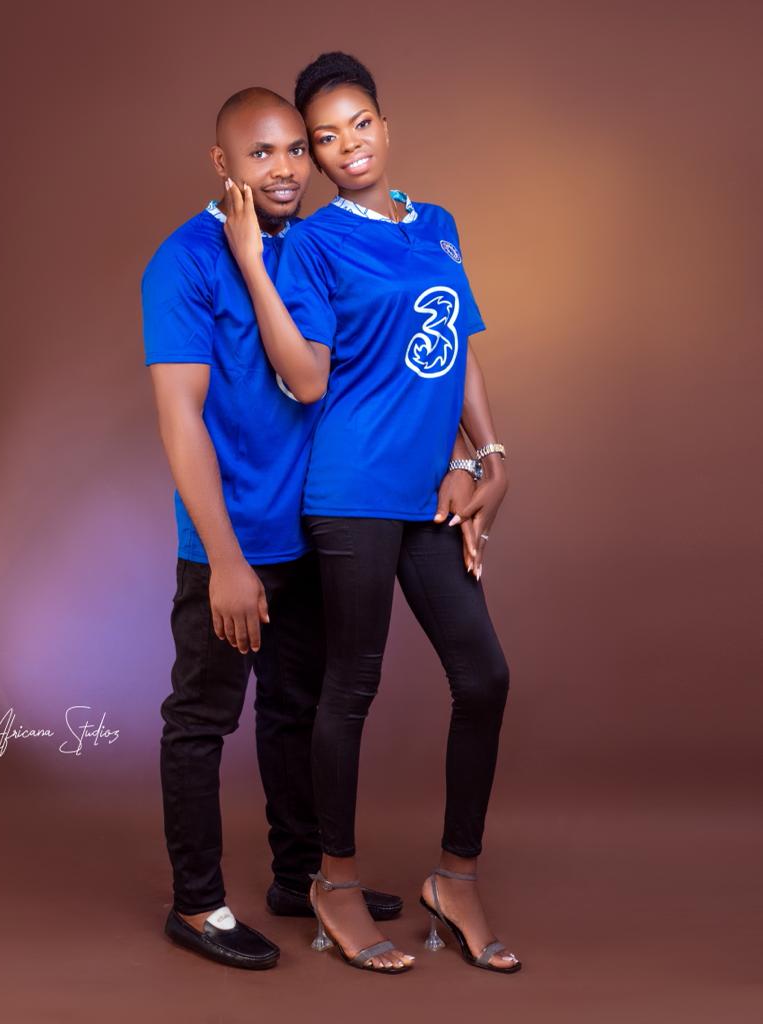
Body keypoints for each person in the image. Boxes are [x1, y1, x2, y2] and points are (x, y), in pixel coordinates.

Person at [221, 52, 522, 974]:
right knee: (350, 686)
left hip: (427, 492)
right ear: (313, 155)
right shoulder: (312, 244)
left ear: (386, 127)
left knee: (483, 677)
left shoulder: (437, 225)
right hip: (351, 488)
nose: (345, 145)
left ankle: (454, 878)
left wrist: (487, 457)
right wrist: (252, 262)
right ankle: (334, 880)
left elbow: (456, 349)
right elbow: (305, 376)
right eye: (324, 137)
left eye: (358, 124)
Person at [140, 86, 403, 971]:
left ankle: (299, 876)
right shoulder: (183, 259)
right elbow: (179, 418)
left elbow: (338, 377)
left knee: (296, 712)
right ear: (222, 163)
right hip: (231, 543)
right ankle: (198, 905)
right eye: (261, 154)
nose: (286, 169)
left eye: (296, 148)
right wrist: (223, 559)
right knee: (201, 720)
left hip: (310, 533)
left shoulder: (306, 248)